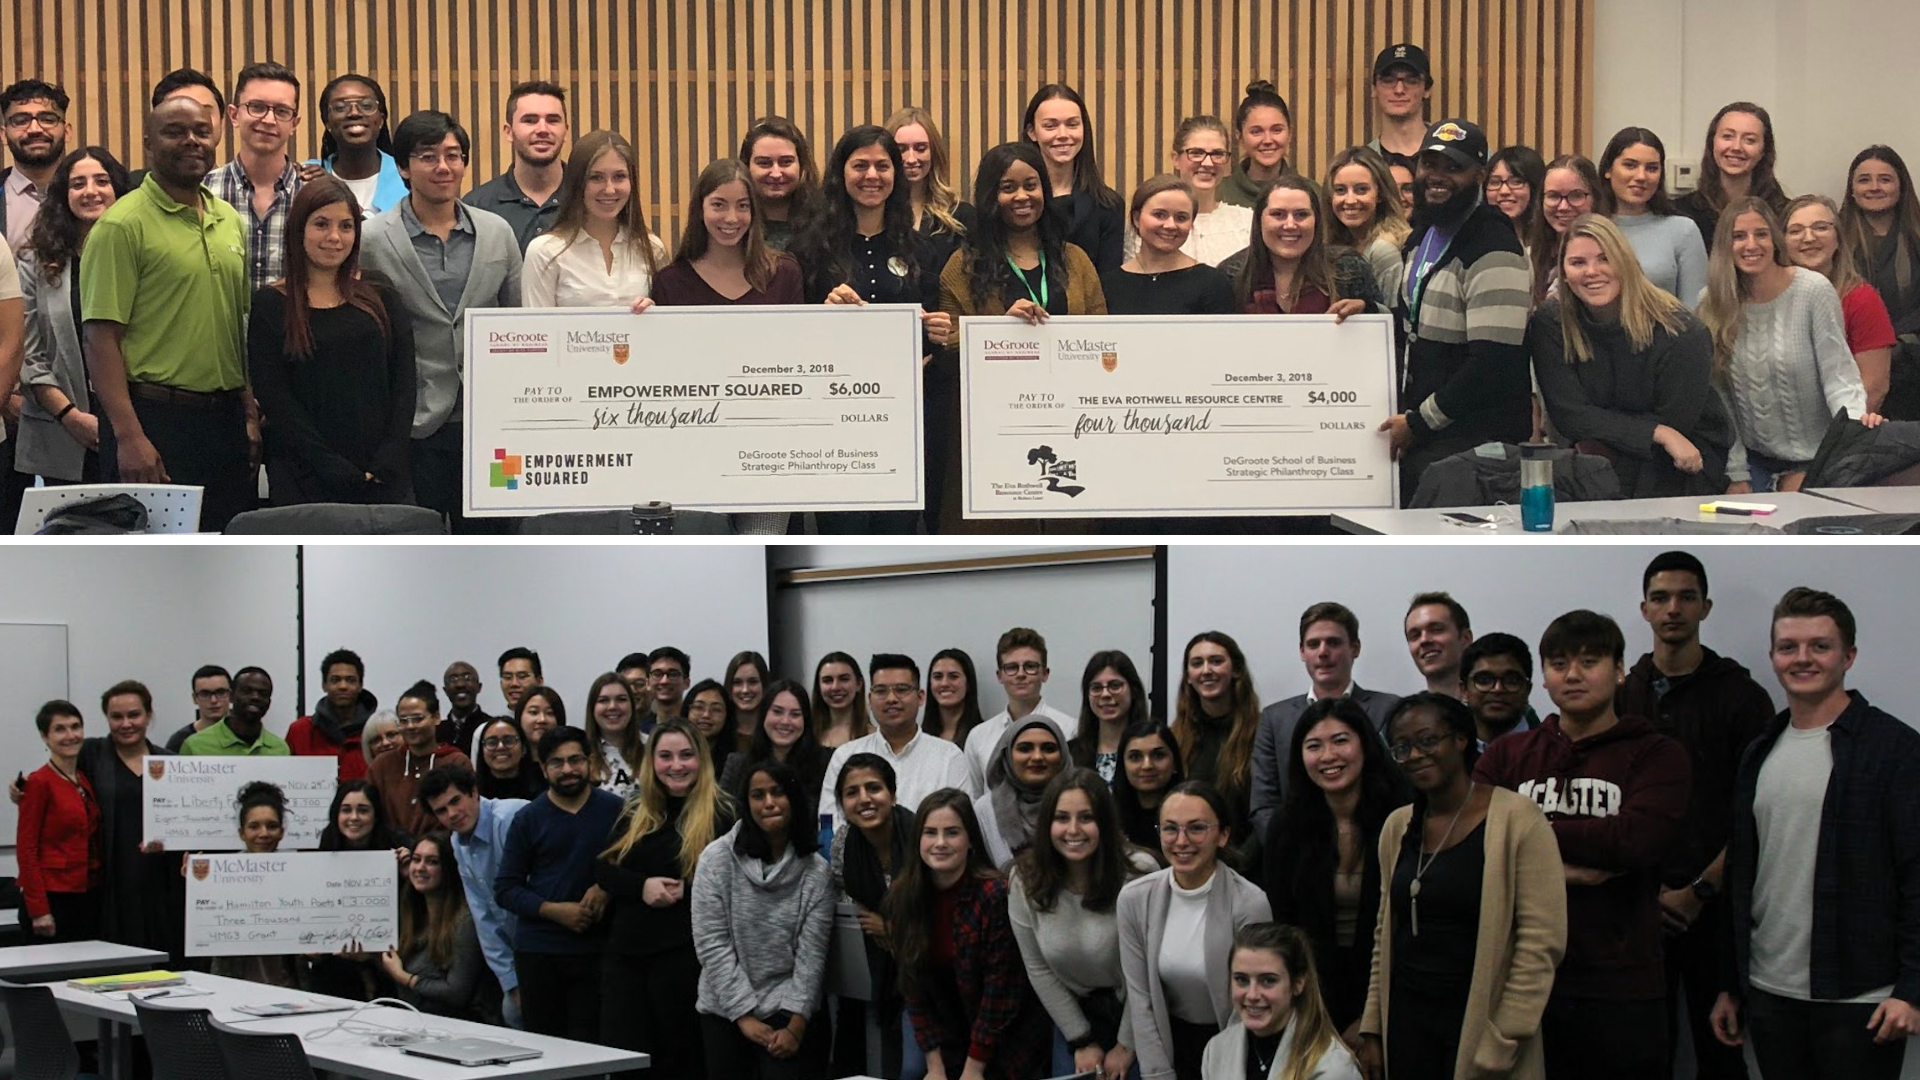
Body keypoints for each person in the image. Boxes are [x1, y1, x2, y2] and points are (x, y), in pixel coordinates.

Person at [1710, 587, 1920, 1080]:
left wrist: (1912, 989)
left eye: (1819, 646)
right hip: (1767, 992)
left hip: (1860, 999)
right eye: (1789, 647)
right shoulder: (1759, 752)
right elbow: (1742, 876)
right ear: (1773, 657)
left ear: (1848, 656)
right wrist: (1730, 985)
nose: (1802, 658)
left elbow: (1918, 874)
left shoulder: (1895, 750)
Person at [1473, 610, 1692, 1080]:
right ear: (1544, 678)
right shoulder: (1507, 756)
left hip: (1622, 983)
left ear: (1618, 670)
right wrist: (1566, 869)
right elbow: (1474, 842)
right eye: (1558, 664)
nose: (1572, 675)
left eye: (1589, 661)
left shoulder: (1657, 753)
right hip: (1522, 981)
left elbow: (1635, 840)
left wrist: (1525, 837)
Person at [1614, 552, 1772, 1080]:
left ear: (1705, 607)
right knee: (1640, 1057)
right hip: (1633, 908)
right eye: (1660, 598)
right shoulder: (1620, 696)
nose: (1673, 609)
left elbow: (1756, 810)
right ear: (1643, 610)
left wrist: (1702, 889)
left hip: (1717, 911)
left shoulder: (1742, 697)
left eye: (1686, 597)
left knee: (1721, 1055)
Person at [1354, 693, 1566, 1080]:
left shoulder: (1517, 818)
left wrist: (1507, 1034)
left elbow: (1541, 942)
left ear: (1461, 739)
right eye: (1402, 747)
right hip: (1407, 1021)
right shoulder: (1397, 826)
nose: (1415, 754)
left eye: (1428, 740)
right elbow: (1384, 933)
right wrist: (1373, 1025)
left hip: (1482, 1025)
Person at [80, 95, 255, 530]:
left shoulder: (229, 220)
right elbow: (100, 338)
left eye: (200, 131)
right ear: (148, 143)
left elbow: (239, 324)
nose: (191, 141)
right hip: (154, 422)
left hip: (225, 423)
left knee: (228, 560)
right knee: (153, 570)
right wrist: (128, 436)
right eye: (174, 132)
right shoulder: (121, 226)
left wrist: (248, 413)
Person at [358, 110, 522, 532]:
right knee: (419, 541)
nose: (443, 167)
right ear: (403, 167)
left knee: (495, 544)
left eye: (453, 155)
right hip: (413, 426)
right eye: (428, 157)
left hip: (490, 430)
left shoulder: (496, 232)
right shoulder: (374, 239)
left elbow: (520, 323)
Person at [1377, 118, 1533, 497]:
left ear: (1480, 175)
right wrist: (1368, 308)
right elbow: (1414, 321)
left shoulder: (1495, 248)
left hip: (1477, 452)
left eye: (1454, 168)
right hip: (1431, 439)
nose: (1438, 176)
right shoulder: (1423, 235)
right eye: (1430, 164)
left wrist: (1419, 423)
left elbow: (1492, 363)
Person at [1528, 212, 1734, 496]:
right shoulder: (1551, 322)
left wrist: (1661, 434)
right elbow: (1569, 414)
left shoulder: (1682, 332)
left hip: (1680, 463)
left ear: (1626, 263)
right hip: (1599, 456)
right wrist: (1659, 433)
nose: (1591, 271)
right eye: (1577, 262)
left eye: (1605, 258)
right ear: (1563, 272)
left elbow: (1677, 423)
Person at [247, 176, 416, 504]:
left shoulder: (380, 292)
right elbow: (276, 399)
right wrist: (331, 467)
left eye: (346, 226)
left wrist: (390, 456)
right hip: (304, 477)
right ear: (299, 229)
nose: (334, 237)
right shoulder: (271, 303)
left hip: (382, 475)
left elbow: (405, 381)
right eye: (321, 224)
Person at [1702, 197, 1873, 493]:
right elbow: (1720, 401)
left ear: (1776, 239)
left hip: (1817, 457)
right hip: (1753, 461)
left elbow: (1840, 377)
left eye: (1761, 234)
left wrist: (1853, 438)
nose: (1751, 245)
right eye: (1739, 236)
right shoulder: (1710, 303)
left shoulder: (1812, 291)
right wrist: (1736, 471)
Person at [1260, 698, 1409, 1037]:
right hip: (1312, 997)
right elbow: (1285, 926)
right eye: (1314, 746)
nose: (1328, 756)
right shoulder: (1287, 826)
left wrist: (1370, 1019)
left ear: (1366, 745)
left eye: (1340, 740)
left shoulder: (1401, 817)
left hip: (1391, 992)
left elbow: (1403, 930)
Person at [883, 788, 1051, 1080]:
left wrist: (974, 1067)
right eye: (930, 833)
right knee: (915, 1072)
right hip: (946, 1025)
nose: (940, 843)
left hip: (1005, 1035)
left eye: (952, 833)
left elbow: (1001, 992)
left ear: (970, 840)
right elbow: (913, 987)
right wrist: (934, 1067)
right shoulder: (903, 896)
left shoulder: (994, 895)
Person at [598, 719, 734, 1080]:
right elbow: (602, 870)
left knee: (680, 1062)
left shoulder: (724, 814)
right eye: (666, 756)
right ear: (651, 762)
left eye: (687, 755)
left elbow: (733, 885)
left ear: (701, 759)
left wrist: (688, 890)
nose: (676, 765)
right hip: (625, 958)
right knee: (625, 1063)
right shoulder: (635, 810)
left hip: (685, 958)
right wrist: (641, 887)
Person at [1117, 780, 1272, 1080]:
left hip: (1234, 1043)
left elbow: (1252, 1001)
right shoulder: (1134, 899)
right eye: (1170, 828)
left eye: (1197, 828)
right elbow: (1141, 999)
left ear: (1223, 835)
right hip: (1169, 1041)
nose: (1182, 840)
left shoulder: (1250, 903)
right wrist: (1157, 1074)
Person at [692, 760, 835, 1080]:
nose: (769, 802)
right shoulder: (715, 860)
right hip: (726, 1011)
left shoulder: (816, 871)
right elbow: (712, 945)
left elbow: (812, 958)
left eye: (778, 793)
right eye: (758, 795)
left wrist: (795, 1027)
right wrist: (744, 1017)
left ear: (794, 800)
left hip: (793, 1013)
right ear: (747, 803)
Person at [1011, 768, 1157, 1080]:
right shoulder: (1024, 880)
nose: (1073, 829)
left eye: (1086, 818)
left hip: (1140, 1013)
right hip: (1074, 1016)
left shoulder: (1139, 874)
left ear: (1105, 822)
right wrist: (1081, 1040)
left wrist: (1126, 1044)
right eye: (1061, 818)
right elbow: (1038, 969)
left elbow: (1148, 968)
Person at [494, 726, 620, 1040]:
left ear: (590, 762)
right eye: (557, 762)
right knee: (548, 1051)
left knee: (594, 1050)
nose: (567, 769)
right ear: (543, 768)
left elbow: (633, 865)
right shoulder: (528, 817)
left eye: (575, 760)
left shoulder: (617, 811)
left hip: (598, 951)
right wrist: (554, 910)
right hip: (540, 953)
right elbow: (506, 888)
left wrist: (607, 886)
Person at [15, 146, 129, 486]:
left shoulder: (142, 254)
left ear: (118, 190)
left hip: (138, 426)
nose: (90, 191)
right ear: (64, 195)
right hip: (64, 428)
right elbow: (29, 354)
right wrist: (71, 416)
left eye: (101, 181)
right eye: (78, 183)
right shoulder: (36, 261)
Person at [1250, 603, 1403, 839]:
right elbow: (1263, 805)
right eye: (1313, 644)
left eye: (1333, 642)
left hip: (1375, 855)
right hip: (1298, 859)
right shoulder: (1274, 719)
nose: (1323, 652)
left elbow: (1401, 793)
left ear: (1355, 648)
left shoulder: (1390, 709)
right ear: (1302, 652)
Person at [420, 763, 530, 1030]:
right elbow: (484, 917)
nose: (453, 814)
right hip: (520, 952)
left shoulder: (509, 818)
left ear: (474, 792)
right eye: (441, 811)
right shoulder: (458, 843)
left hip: (550, 939)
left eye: (456, 801)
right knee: (512, 1012)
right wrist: (510, 982)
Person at [829, 753, 918, 1079]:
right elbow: (840, 886)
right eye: (852, 792)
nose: (864, 799)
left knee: (913, 1067)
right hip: (875, 969)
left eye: (873, 788)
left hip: (927, 972)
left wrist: (892, 928)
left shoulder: (919, 833)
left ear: (892, 794)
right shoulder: (844, 841)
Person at [78, 681, 181, 957]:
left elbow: (186, 820)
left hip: (159, 883)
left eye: (134, 715)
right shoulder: (90, 755)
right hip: (110, 883)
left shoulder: (171, 762)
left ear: (148, 715)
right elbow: (53, 777)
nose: (126, 724)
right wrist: (20, 788)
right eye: (116, 717)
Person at [818, 653, 973, 830]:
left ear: (921, 697)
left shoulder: (948, 756)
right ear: (870, 699)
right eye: (881, 691)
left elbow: (961, 824)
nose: (891, 699)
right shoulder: (845, 755)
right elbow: (829, 823)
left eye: (901, 689)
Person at [522, 130, 665, 308]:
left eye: (619, 177)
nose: (610, 189)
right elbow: (538, 332)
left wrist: (654, 315)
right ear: (577, 183)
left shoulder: (652, 248)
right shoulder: (544, 252)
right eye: (596, 177)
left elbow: (667, 329)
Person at [1202, 922, 1363, 1080]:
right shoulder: (1216, 1051)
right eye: (1242, 980)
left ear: (1298, 983)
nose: (1252, 995)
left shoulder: (1333, 1067)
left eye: (1268, 981)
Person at [1785, 193, 1896, 414]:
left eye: (1820, 227)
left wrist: (1837, 438)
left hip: (1841, 433)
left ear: (1838, 239)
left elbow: (1874, 387)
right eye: (1795, 230)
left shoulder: (1862, 300)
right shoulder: (1769, 299)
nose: (1808, 238)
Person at [1217, 175, 1385, 316]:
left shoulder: (1349, 268)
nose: (1290, 225)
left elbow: (1390, 334)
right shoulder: (1231, 275)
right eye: (1278, 214)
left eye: (1301, 214)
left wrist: (1366, 311)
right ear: (1259, 220)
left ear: (1316, 221)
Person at [204, 63, 306, 294]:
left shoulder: (312, 194)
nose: (269, 120)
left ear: (294, 124)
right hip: (222, 329)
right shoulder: (204, 192)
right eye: (257, 107)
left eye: (281, 111)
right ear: (234, 115)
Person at [1839, 146, 1920, 416]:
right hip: (1852, 369)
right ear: (1851, 190)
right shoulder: (1833, 241)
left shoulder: (1917, 241)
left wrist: (1899, 344)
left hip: (1913, 373)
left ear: (1901, 187)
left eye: (1885, 179)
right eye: (1864, 180)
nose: (1874, 187)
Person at [383, 831, 496, 1020]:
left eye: (432, 862)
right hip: (413, 1021)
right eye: (416, 859)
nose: (420, 867)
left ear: (448, 868)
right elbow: (394, 966)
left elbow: (457, 993)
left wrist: (404, 978)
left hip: (460, 1026)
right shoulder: (412, 913)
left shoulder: (464, 920)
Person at [1597, 126, 1709, 309]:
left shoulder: (1683, 231)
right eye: (1630, 165)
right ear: (1608, 170)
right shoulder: (1591, 228)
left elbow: (1696, 311)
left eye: (1651, 168)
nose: (1641, 176)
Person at [17, 700, 100, 942]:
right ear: (45, 737)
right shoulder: (38, 783)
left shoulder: (83, 778)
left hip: (87, 894)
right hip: (53, 898)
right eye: (60, 729)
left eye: (76, 727)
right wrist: (39, 910)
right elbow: (26, 849)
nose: (70, 735)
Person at [1022, 83, 1124, 272]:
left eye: (1072, 124)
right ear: (1032, 132)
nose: (1063, 135)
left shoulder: (1109, 205)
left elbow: (1108, 283)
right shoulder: (1018, 202)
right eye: (1050, 126)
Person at [1103, 176, 1237, 318]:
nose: (1170, 225)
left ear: (1191, 224)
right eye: (1159, 215)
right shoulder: (1107, 285)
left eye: (1181, 218)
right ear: (1136, 218)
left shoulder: (1214, 284)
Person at [1171, 631, 1260, 840]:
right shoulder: (1175, 737)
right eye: (1196, 663)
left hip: (1249, 864)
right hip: (1189, 856)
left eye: (1216, 661)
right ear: (1188, 676)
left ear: (1236, 670)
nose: (1206, 670)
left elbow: (1268, 810)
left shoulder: (1263, 732)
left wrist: (1240, 864)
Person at [962, 628, 1079, 788]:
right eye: (1011, 667)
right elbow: (974, 800)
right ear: (999, 676)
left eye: (1030, 666)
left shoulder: (1070, 730)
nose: (1021, 674)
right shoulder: (978, 737)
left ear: (1045, 673)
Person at [1129, 117, 1251, 267]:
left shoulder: (1246, 222)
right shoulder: (1149, 223)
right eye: (1196, 153)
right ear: (1176, 159)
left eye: (1217, 154)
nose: (1207, 163)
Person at [214, 781, 301, 986]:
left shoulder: (300, 871)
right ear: (241, 832)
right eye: (254, 826)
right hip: (234, 979)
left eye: (272, 826)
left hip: (288, 980)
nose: (263, 834)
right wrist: (195, 886)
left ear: (282, 831)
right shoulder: (219, 875)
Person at [464, 81, 569, 251]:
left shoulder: (589, 199)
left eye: (552, 120)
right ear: (509, 132)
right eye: (530, 120)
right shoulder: (477, 207)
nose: (543, 129)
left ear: (566, 131)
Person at [1677, 102, 1789, 251]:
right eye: (1728, 136)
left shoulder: (1785, 215)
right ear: (1712, 143)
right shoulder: (1681, 214)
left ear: (1763, 151)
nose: (1736, 147)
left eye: (1749, 140)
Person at [368, 681, 471, 836]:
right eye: (403, 720)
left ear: (436, 717)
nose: (410, 726)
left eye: (417, 718)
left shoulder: (456, 762)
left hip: (441, 854)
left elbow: (464, 814)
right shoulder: (382, 765)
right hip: (389, 854)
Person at [974, 715, 1072, 870]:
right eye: (1025, 748)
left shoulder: (1078, 804)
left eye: (1048, 749)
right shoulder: (986, 810)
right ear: (1007, 756)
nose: (1037, 757)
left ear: (1063, 755)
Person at [720, 678, 830, 812]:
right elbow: (723, 819)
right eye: (777, 712)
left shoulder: (825, 764)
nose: (785, 721)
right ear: (764, 715)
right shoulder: (736, 765)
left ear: (805, 721)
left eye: (795, 714)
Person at [1325, 146, 1411, 304]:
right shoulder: (1331, 244)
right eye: (1340, 190)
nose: (1350, 200)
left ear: (1380, 194)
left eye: (1361, 190)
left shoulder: (1383, 250)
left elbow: (1393, 318)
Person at [312, 73, 406, 215]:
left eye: (366, 105)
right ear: (327, 123)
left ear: (381, 120)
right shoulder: (308, 176)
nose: (354, 113)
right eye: (340, 107)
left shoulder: (406, 175)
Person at [286, 647, 375, 780]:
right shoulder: (300, 731)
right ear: (324, 685)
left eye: (350, 680)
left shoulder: (377, 732)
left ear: (360, 686)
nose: (343, 686)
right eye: (335, 680)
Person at [1, 79, 70, 250]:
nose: (34, 129)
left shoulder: (93, 195)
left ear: (67, 131)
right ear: (3, 134)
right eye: (20, 120)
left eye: (47, 119)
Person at [737, 116, 819, 253]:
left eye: (786, 162)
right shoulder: (731, 223)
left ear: (802, 165)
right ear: (746, 166)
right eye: (764, 163)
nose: (776, 174)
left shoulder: (827, 222)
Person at [1528, 154, 1602, 304]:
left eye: (1576, 196)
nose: (1563, 207)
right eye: (1553, 196)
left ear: (1595, 198)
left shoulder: (1613, 257)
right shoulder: (1528, 258)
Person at [1068, 650, 1149, 784]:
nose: (1105, 694)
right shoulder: (1070, 754)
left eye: (1115, 685)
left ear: (1134, 690)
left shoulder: (1152, 751)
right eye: (1096, 688)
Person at [1112, 721, 1184, 862]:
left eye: (1158, 755)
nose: (1147, 765)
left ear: (1174, 762)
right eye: (1135, 757)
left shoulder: (1194, 811)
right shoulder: (1108, 815)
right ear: (1123, 764)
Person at [1218, 82, 1295, 209]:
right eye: (1256, 131)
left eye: (1277, 130)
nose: (1267, 140)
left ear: (1290, 133)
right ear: (1239, 136)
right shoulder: (1219, 194)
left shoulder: (1311, 192)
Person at [180, 666, 289, 755]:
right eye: (247, 691)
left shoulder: (280, 749)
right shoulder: (195, 745)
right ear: (231, 696)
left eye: (263, 693)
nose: (255, 697)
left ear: (269, 702)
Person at [1458, 634, 1538, 747]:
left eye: (1511, 680)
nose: (1498, 689)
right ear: (1464, 690)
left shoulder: (1554, 751)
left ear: (1528, 689)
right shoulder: (1449, 754)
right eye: (1484, 680)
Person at [1366, 45, 1431, 172]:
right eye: (1388, 80)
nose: (1399, 90)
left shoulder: (1453, 156)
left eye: (1411, 80)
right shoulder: (1362, 164)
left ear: (1427, 89)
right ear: (1374, 90)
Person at [586, 671, 645, 800]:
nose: (612, 706)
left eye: (621, 699)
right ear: (592, 708)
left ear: (632, 705)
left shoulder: (653, 747)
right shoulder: (581, 753)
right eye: (603, 700)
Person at [1403, 592, 1472, 698]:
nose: (1424, 640)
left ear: (1465, 639)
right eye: (1415, 635)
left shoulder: (1494, 709)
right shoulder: (1405, 712)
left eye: (1436, 630)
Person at [926, 647, 986, 748]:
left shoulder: (984, 736)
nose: (944, 683)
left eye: (953, 676)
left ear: (968, 684)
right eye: (938, 677)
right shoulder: (918, 738)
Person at [1485, 144, 1545, 247]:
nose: (1504, 191)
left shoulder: (1554, 245)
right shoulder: (1474, 241)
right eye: (1495, 182)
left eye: (1516, 182)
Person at [162, 664, 232, 751]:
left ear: (231, 695)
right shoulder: (181, 741)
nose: (213, 700)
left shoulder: (248, 735)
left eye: (221, 692)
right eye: (205, 694)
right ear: (195, 698)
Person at [812, 651, 871, 751]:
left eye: (844, 679)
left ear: (859, 684)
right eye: (828, 680)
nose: (835, 687)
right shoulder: (807, 736)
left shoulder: (875, 738)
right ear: (819, 687)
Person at [475, 715, 543, 800]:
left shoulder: (544, 784)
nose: (500, 747)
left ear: (523, 749)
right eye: (492, 742)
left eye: (508, 741)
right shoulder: (471, 791)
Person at [683, 678, 735, 769]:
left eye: (716, 709)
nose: (706, 715)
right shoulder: (672, 755)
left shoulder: (735, 762)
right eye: (699, 707)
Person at [726, 650, 771, 751]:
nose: (745, 690)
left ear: (764, 684)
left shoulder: (775, 731)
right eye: (737, 682)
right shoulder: (721, 732)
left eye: (753, 682)